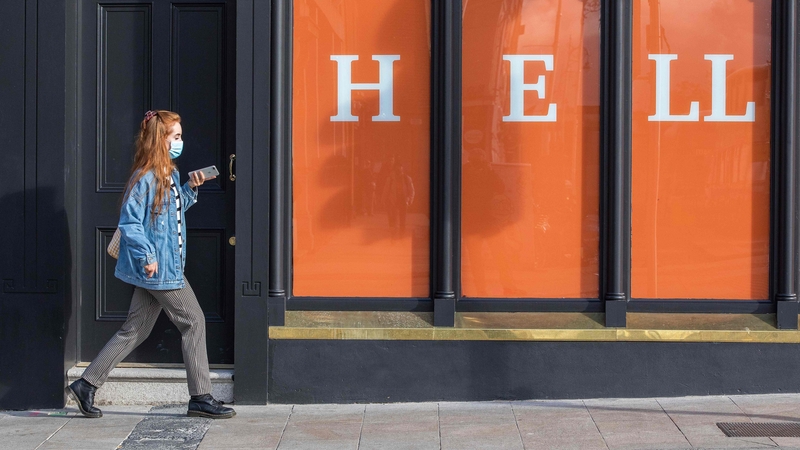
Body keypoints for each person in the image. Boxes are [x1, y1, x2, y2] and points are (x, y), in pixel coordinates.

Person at [65, 110, 235, 419]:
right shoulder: (145, 177)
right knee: (194, 321)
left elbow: (168, 215)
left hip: (163, 266)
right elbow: (131, 223)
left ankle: (86, 384)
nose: (181, 142)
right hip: (160, 270)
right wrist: (148, 257)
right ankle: (201, 396)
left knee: (135, 329)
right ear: (161, 139)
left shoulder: (167, 172)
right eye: (176, 137)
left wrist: (191, 187)